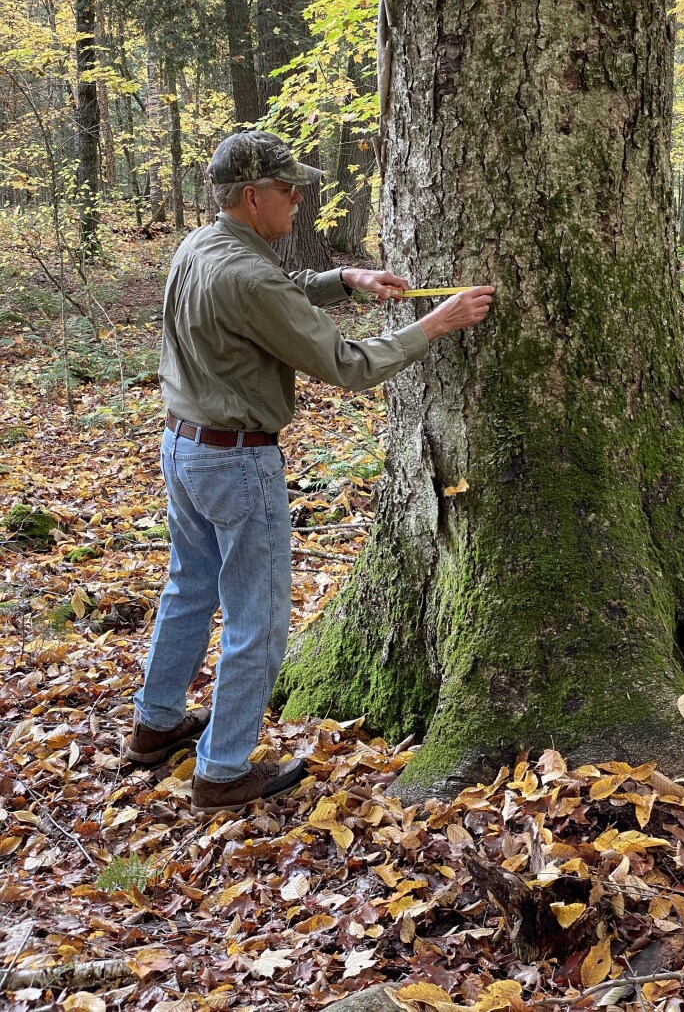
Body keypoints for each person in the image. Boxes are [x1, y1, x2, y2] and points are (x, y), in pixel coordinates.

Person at [124, 130, 494, 814]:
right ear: (253, 196)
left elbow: (275, 295)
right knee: (257, 621)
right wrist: (434, 325)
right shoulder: (246, 271)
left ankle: (155, 724)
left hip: (184, 450)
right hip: (236, 460)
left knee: (188, 587)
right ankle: (224, 769)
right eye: (289, 190)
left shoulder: (202, 246)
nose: (299, 199)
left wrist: (344, 279)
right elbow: (348, 365)